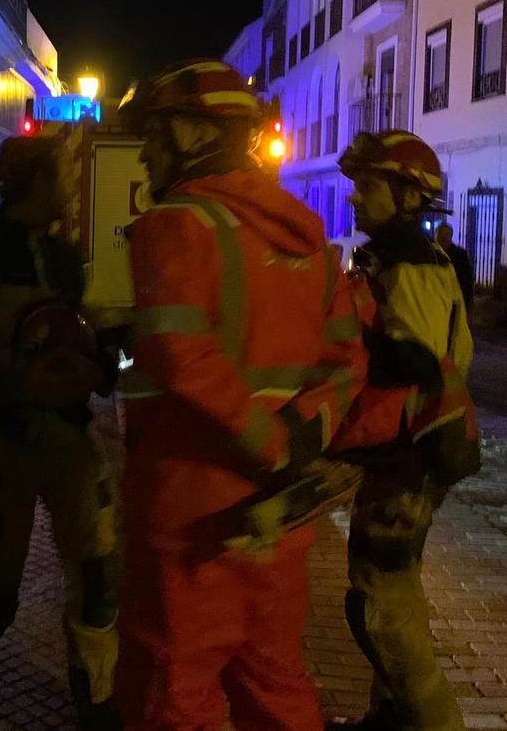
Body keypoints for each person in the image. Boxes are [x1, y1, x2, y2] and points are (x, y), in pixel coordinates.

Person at [114, 59, 368, 730]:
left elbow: (181, 354)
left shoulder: (175, 226)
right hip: (276, 516)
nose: (145, 151)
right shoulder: (310, 240)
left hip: (191, 508)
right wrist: (296, 445)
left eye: (154, 134)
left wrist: (268, 443)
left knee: (177, 687)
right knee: (273, 679)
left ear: (196, 132)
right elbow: (346, 362)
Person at [0, 135, 122, 730]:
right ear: (36, 184)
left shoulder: (63, 259)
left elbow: (79, 336)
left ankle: (98, 704)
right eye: (60, 180)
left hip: (70, 441)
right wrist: (6, 382)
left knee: (97, 579)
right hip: (0, 446)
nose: (67, 192)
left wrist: (99, 366)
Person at [329, 130, 480, 731]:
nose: (355, 199)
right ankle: (386, 717)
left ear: (410, 197)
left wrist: (344, 334)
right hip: (405, 450)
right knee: (382, 587)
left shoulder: (413, 266)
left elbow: (412, 358)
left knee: (380, 606)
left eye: (369, 187)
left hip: (410, 453)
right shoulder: (403, 260)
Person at [435, 223, 474, 314]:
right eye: (441, 234)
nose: (443, 238)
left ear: (451, 236)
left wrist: (466, 302)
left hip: (453, 300)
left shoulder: (460, 255)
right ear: (435, 235)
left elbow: (466, 279)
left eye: (447, 235)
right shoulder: (430, 253)